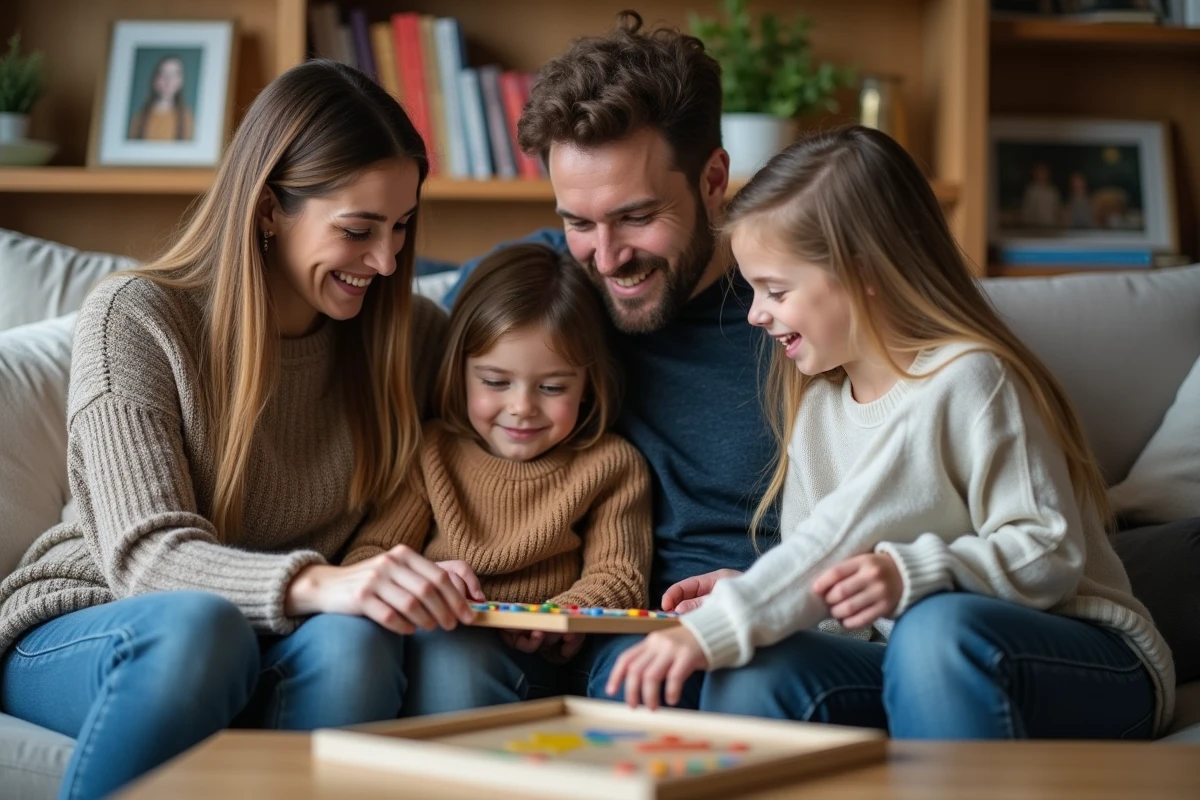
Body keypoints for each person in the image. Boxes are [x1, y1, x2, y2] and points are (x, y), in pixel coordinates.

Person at [605, 126, 1176, 739]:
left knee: (937, 629)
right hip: (908, 659)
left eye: (775, 290)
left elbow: (1048, 552)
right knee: (755, 669)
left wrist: (914, 576)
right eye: (752, 290)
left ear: (862, 272)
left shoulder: (969, 380)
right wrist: (760, 593)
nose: (754, 314)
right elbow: (826, 566)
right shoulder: (819, 408)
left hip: (1090, 657)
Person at [0, 60, 471, 799]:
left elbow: (511, 428)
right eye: (357, 230)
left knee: (357, 645)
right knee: (204, 629)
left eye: (403, 227)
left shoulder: (409, 337)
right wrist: (326, 582)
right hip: (97, 621)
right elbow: (146, 558)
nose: (386, 261)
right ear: (267, 209)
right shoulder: (138, 317)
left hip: (283, 635)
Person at [443, 11, 777, 708]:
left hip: (742, 630)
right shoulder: (547, 289)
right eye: (578, 221)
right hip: (567, 640)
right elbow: (401, 335)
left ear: (714, 179)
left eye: (635, 216)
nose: (607, 255)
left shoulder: (796, 309)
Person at [347, 242, 653, 715]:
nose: (522, 407)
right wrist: (424, 578)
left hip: (547, 660)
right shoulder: (432, 452)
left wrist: (562, 614)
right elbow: (370, 556)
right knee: (454, 657)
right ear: (460, 372)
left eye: (552, 387)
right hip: (448, 641)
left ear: (588, 384)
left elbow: (620, 575)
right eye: (494, 382)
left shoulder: (611, 465)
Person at [128, 55, 195, 141]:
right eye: (163, 74)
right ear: (155, 80)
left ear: (181, 81)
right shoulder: (140, 116)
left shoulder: (186, 117)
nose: (168, 81)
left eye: (174, 75)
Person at [1020, 161, 1062, 228]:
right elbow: (1026, 212)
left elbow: (1057, 210)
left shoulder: (1053, 191)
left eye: (1044, 173)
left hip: (1051, 227)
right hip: (1035, 228)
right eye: (1040, 173)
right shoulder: (1031, 191)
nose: (1042, 175)